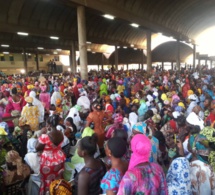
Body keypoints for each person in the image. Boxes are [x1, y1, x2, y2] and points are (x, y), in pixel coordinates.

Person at [35, 115, 66, 195]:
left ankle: (47, 192)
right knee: (57, 178)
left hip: (48, 162)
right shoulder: (60, 134)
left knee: (46, 180)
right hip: (59, 159)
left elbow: (37, 147)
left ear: (48, 124)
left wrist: (41, 134)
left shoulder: (45, 136)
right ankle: (57, 191)